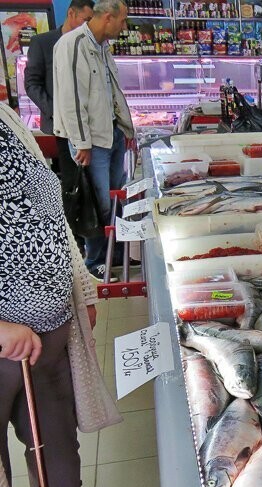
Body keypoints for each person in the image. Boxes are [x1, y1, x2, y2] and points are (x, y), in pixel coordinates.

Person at [0, 103, 129, 487]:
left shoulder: (4, 117)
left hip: (49, 323)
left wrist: (81, 286)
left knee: (54, 427)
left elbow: (48, 211)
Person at [52, 0, 134, 283]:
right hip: (92, 141)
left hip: (111, 133)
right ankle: (95, 259)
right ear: (108, 17)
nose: (124, 28)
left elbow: (112, 91)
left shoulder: (102, 47)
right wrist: (82, 142)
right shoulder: (72, 44)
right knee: (96, 201)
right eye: (122, 21)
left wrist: (126, 129)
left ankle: (117, 250)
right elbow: (72, 98)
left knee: (114, 196)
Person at [23, 0, 94, 231]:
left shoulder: (88, 44)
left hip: (89, 126)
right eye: (85, 20)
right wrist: (58, 112)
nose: (88, 26)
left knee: (92, 184)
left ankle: (91, 233)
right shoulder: (42, 42)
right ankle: (72, 235)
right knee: (72, 182)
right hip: (61, 127)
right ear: (71, 13)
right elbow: (32, 84)